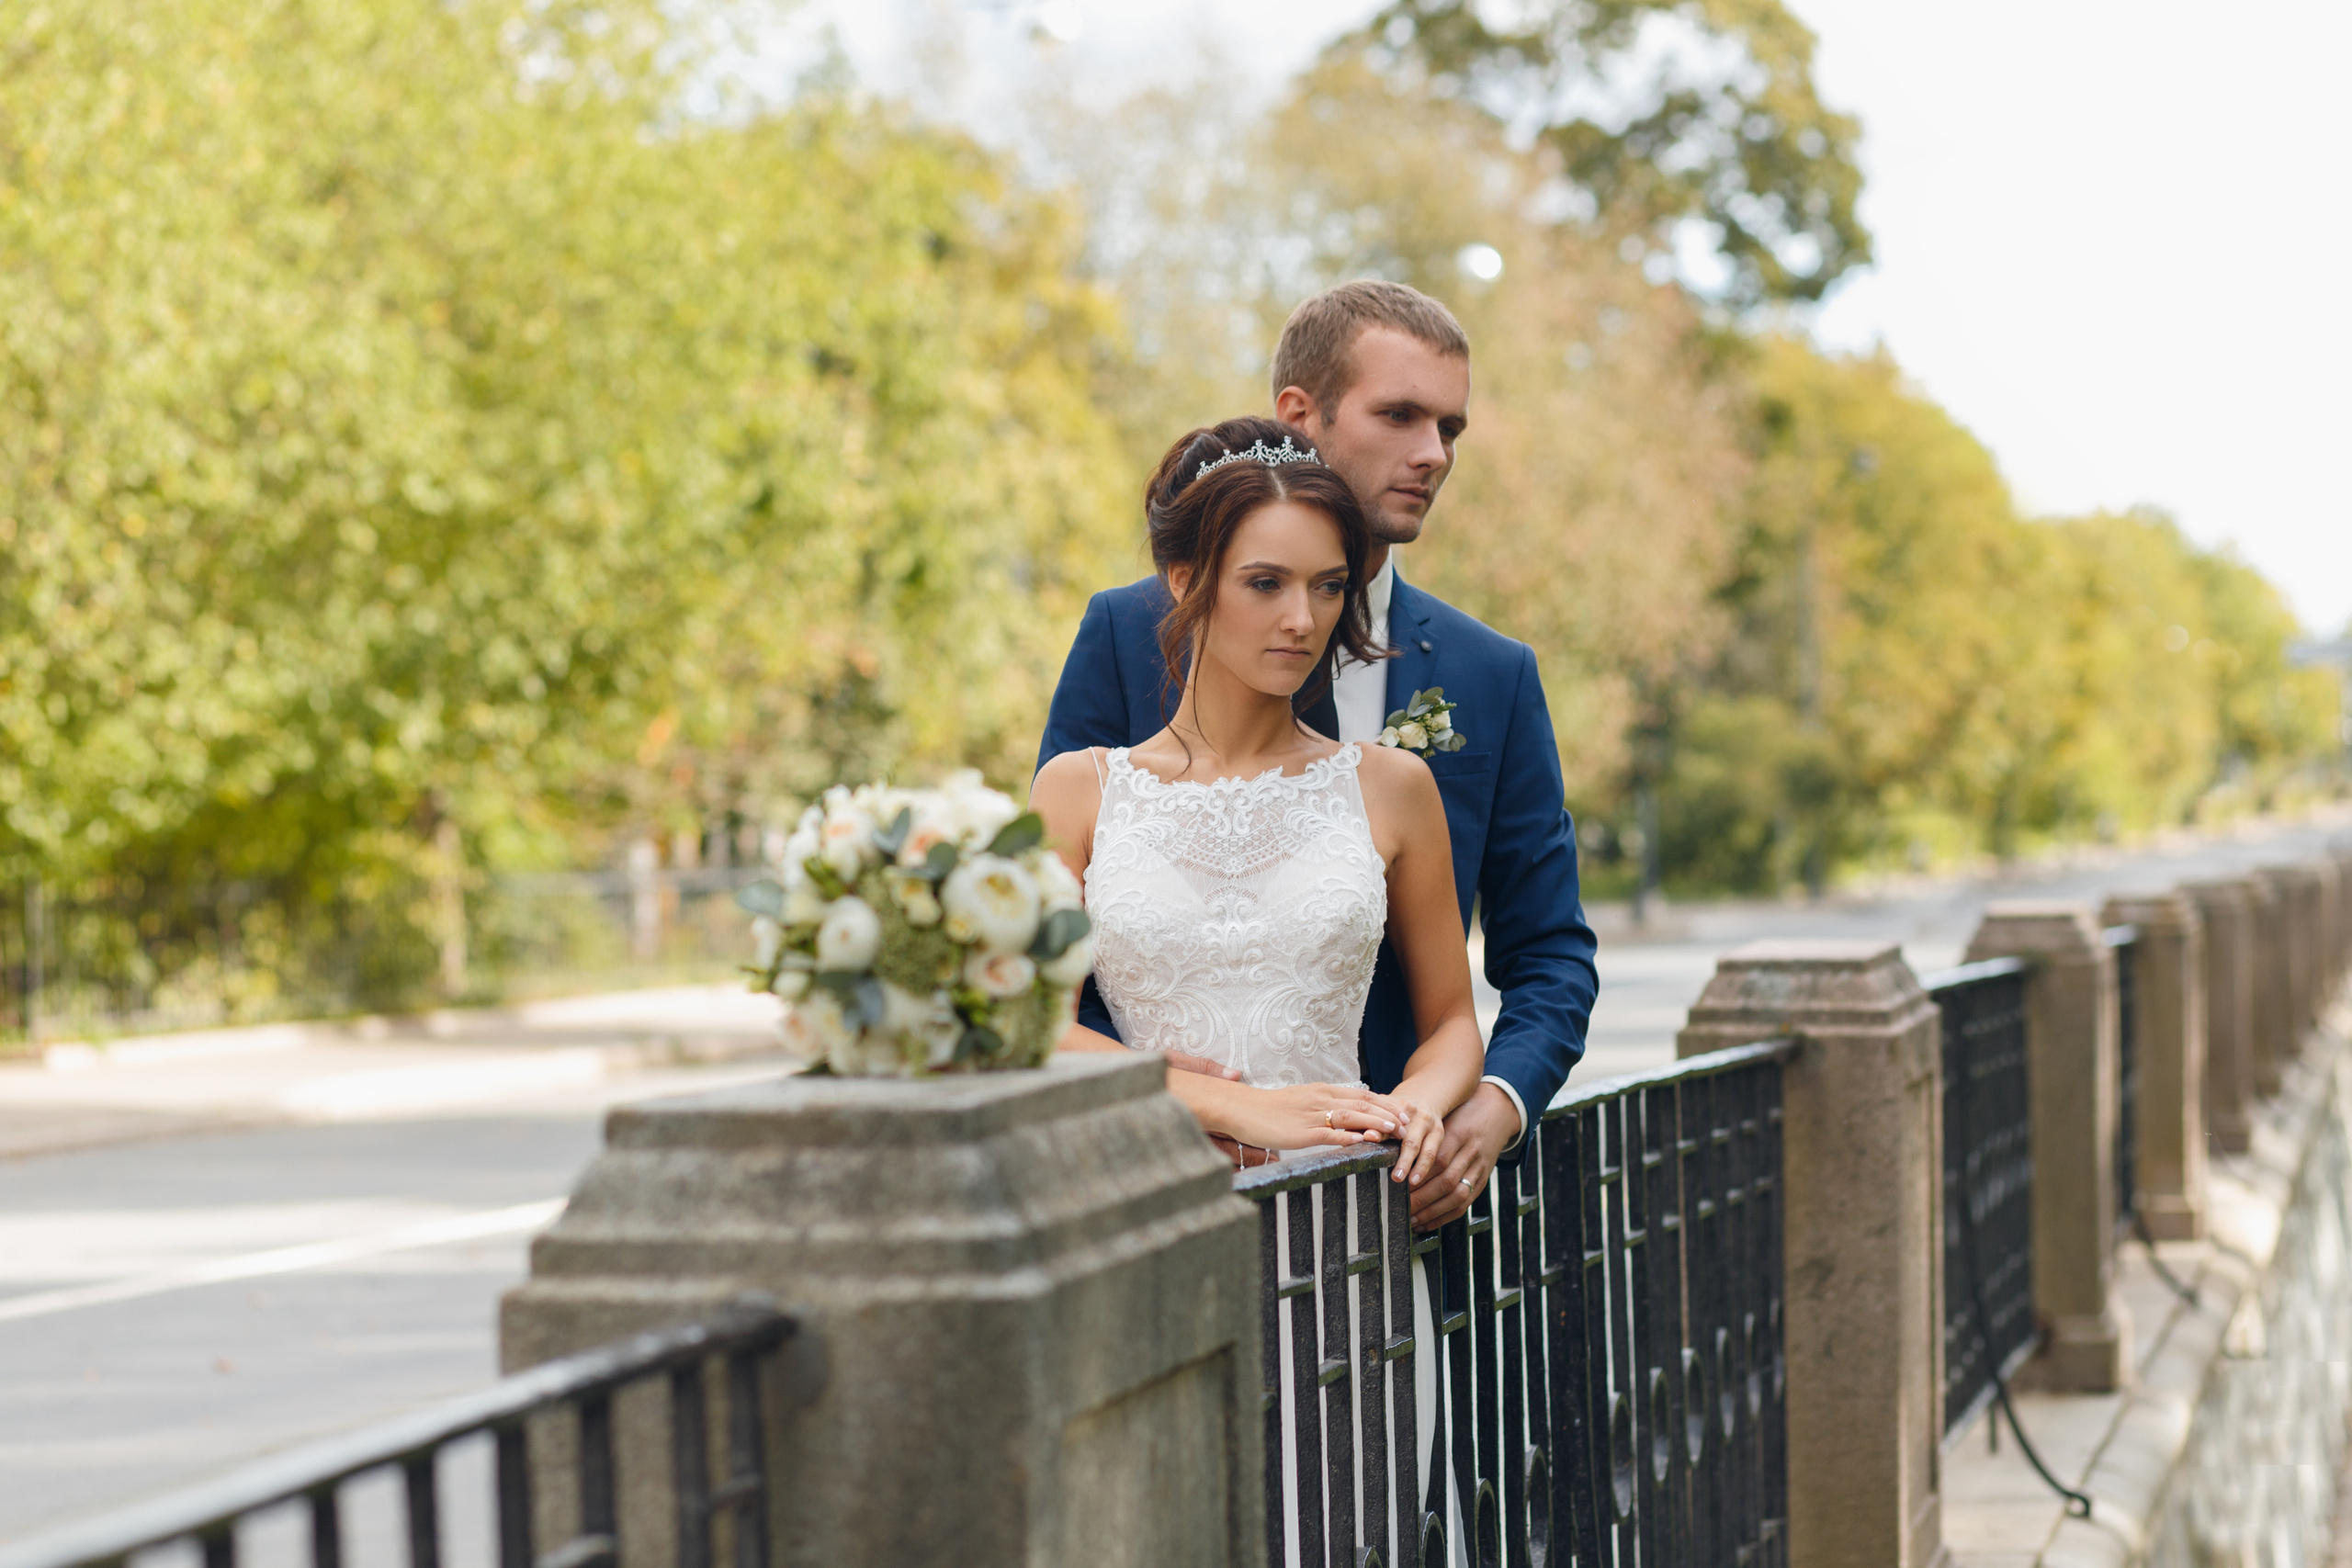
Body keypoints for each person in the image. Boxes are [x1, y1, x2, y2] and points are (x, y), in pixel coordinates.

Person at [1035, 281, 1598, 1228]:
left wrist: (1485, 1110)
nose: (1432, 453)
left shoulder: (1488, 674)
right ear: (1300, 413)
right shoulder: (1124, 633)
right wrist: (1162, 1109)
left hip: (1385, 1203)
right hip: (1149, 1193)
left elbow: (1546, 953)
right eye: (1401, 415)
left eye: (1450, 429)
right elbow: (1046, 959)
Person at [1031, 415, 1486, 1188]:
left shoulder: (1393, 787)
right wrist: (1228, 1106)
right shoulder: (1079, 791)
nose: (1302, 621)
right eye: (1265, 582)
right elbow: (1029, 1028)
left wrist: (1411, 1108)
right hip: (1156, 1205)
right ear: (1184, 579)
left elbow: (1451, 1024)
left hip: (1348, 1201)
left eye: (1329, 586)